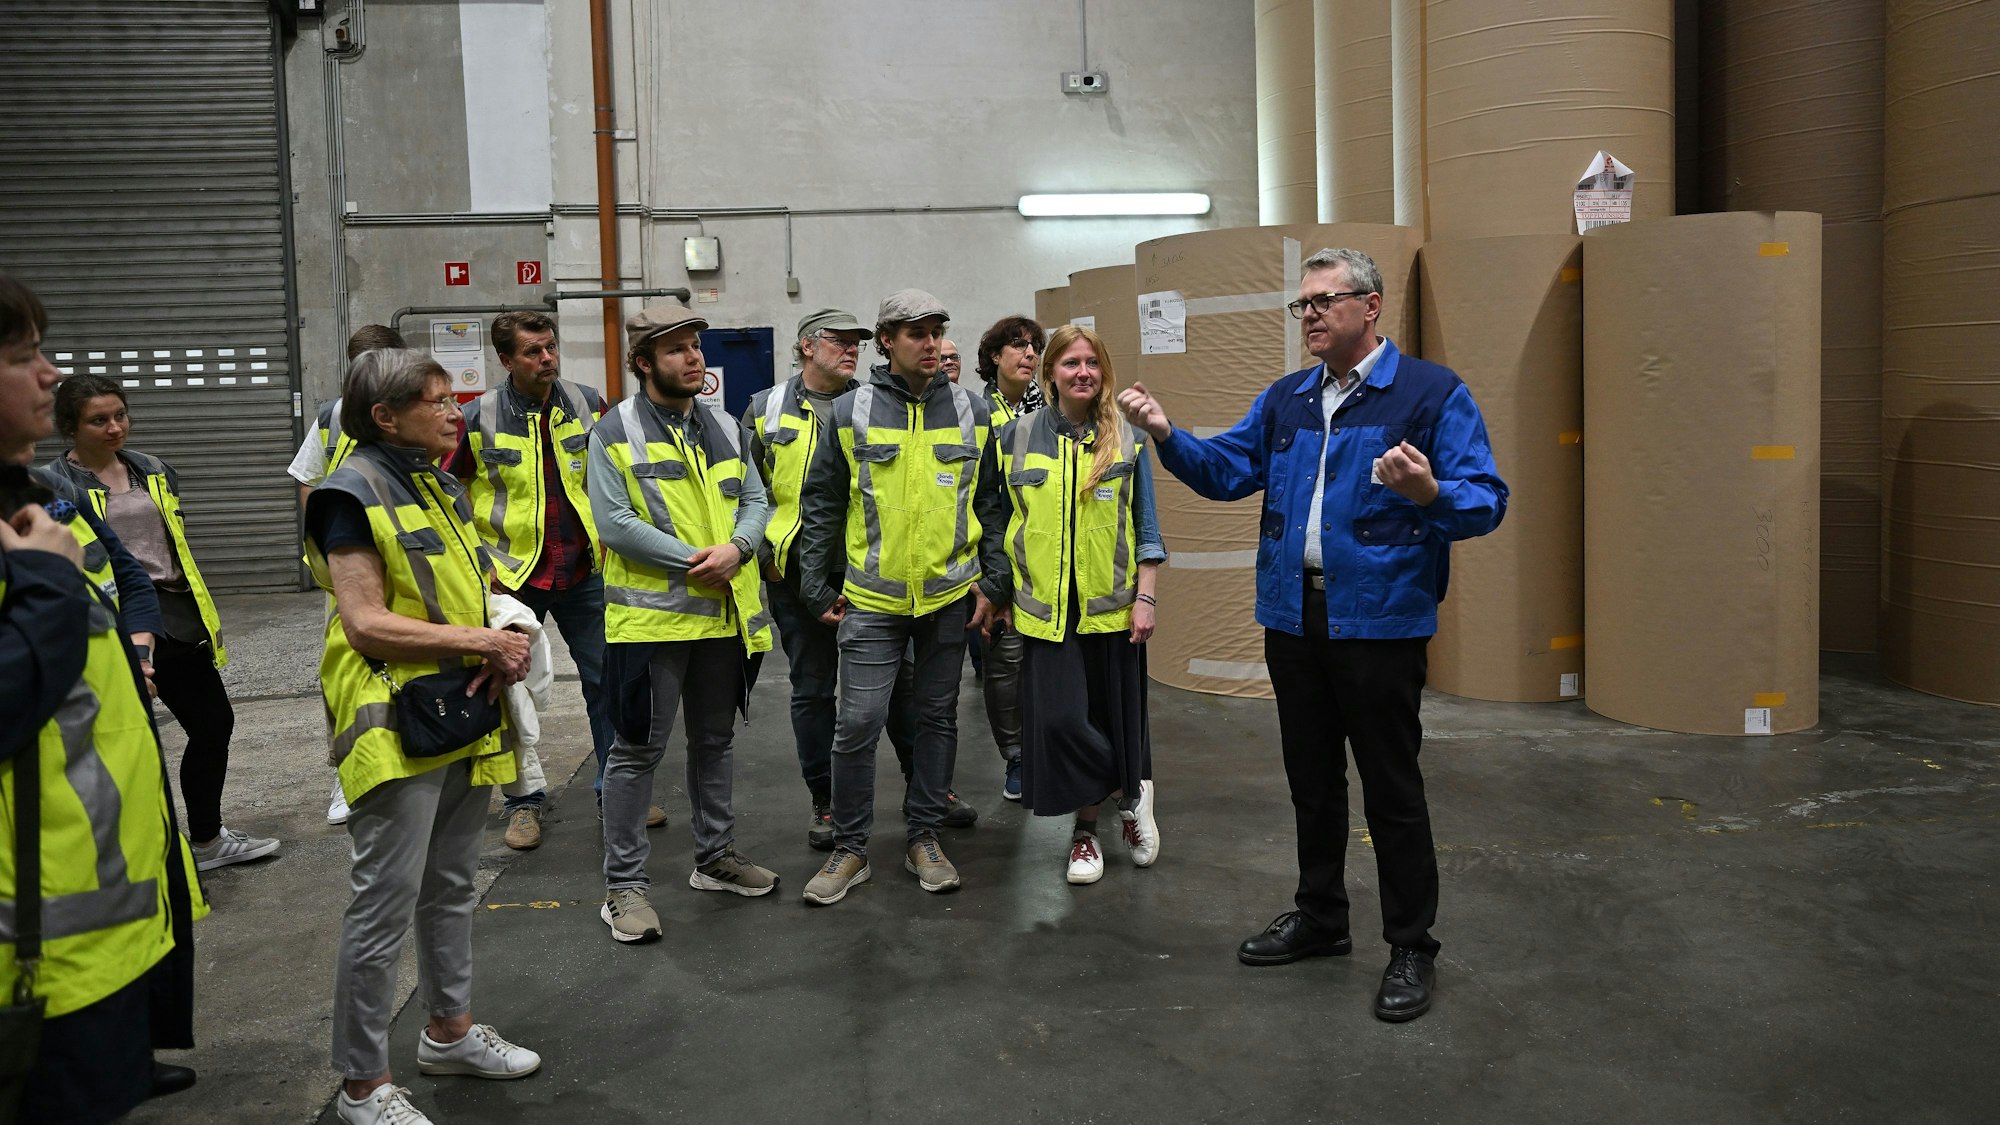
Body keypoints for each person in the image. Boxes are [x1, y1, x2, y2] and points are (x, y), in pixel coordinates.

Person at [1116, 247, 1508, 1023]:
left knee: (1391, 790)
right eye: (1303, 304)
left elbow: (1485, 499)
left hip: (1380, 623)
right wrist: (1166, 433)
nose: (1311, 315)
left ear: (1371, 306)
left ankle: (1410, 944)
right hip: (1295, 619)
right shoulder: (1288, 399)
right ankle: (1323, 916)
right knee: (1312, 781)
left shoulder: (1430, 393)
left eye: (1325, 300)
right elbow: (1227, 469)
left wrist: (1428, 490)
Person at [304, 348, 540, 1124]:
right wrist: (481, 643)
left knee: (448, 888)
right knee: (383, 902)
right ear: (385, 416)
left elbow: (466, 586)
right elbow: (366, 621)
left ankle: (448, 1031)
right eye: (437, 401)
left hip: (457, 707)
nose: (453, 411)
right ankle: (362, 1084)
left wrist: (504, 624)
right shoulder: (348, 492)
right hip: (393, 717)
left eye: (453, 397)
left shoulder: (436, 481)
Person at [2, 273, 206, 1121]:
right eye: (23, 356)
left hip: (101, 926)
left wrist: (141, 644)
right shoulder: (35, 526)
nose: (50, 373)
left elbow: (125, 574)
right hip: (36, 953)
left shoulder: (33, 501)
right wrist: (50, 583)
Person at [588, 301, 780, 945]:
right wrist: (699, 559)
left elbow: (757, 500)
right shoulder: (613, 431)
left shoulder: (724, 423)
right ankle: (624, 888)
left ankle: (715, 858)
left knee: (715, 743)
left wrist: (740, 549)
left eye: (696, 345)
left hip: (724, 619)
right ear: (644, 363)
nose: (695, 356)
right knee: (636, 752)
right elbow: (614, 523)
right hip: (653, 626)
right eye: (676, 349)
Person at [795, 288, 990, 905]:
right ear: (887, 341)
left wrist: (995, 579)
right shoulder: (849, 411)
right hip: (872, 599)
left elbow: (991, 501)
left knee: (935, 719)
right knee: (856, 722)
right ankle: (851, 847)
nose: (931, 344)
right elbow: (822, 501)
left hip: (947, 596)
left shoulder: (971, 411)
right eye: (917, 334)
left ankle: (924, 835)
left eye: (937, 332)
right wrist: (813, 582)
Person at [47, 375, 280, 872]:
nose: (115, 428)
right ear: (70, 427)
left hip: (175, 614)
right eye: (98, 420)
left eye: (120, 415)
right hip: (110, 622)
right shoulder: (53, 486)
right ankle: (123, 855)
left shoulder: (153, 469)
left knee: (214, 724)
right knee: (123, 741)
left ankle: (207, 840)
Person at [444, 311, 657, 851]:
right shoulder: (478, 416)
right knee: (509, 690)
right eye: (534, 352)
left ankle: (616, 792)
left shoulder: (588, 404)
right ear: (507, 359)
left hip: (585, 567)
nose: (547, 359)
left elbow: (620, 475)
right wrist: (479, 565)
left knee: (608, 681)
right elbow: (445, 494)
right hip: (510, 575)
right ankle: (523, 803)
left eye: (551, 348)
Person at [974, 325, 1165, 885]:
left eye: (1093, 363)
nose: (1083, 372)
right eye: (1071, 363)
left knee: (1108, 715)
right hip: (1044, 612)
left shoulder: (1126, 438)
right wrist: (999, 588)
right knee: (1059, 722)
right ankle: (1131, 787)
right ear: (1050, 371)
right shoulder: (1015, 437)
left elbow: (1146, 528)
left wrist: (1146, 598)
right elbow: (1000, 521)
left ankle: (1086, 837)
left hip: (1113, 608)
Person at [290, 323, 405, 828]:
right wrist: (333, 554)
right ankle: (346, 772)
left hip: (412, 559)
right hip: (354, 565)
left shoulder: (418, 412)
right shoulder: (331, 419)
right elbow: (310, 484)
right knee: (348, 669)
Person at [971, 314, 1049, 801]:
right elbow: (979, 502)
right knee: (1006, 665)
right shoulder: (977, 416)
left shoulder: (1055, 414)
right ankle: (1016, 757)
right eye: (1017, 346)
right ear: (995, 358)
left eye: (1035, 347)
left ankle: (1054, 752)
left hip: (1048, 555)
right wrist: (990, 578)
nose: (1029, 355)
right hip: (999, 560)